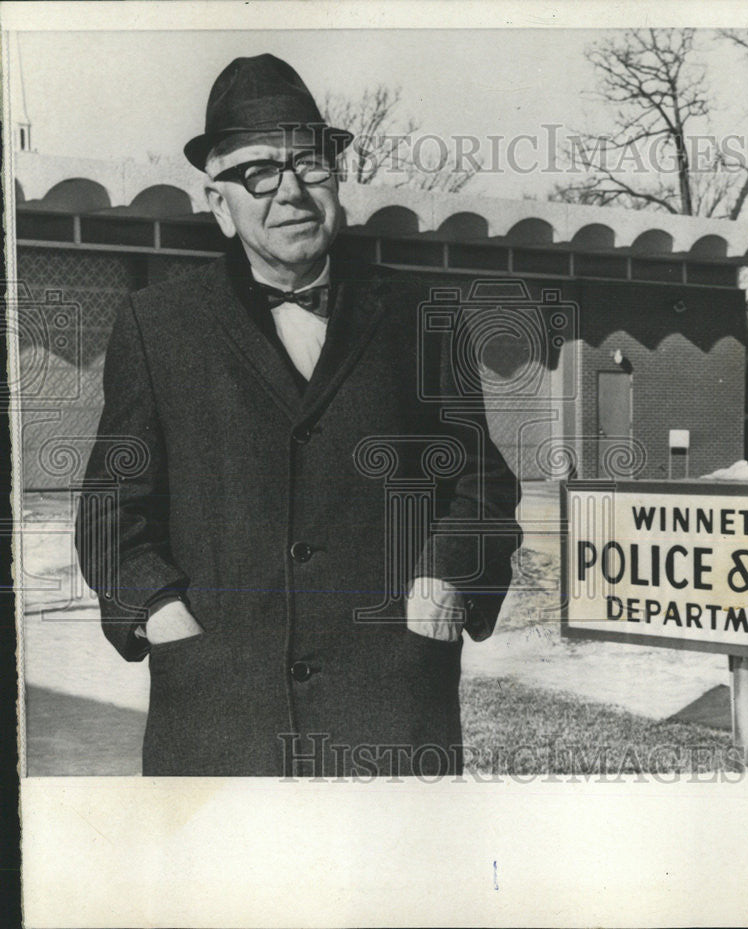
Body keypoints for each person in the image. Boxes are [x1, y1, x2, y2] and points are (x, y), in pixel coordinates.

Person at [75, 54, 521, 777]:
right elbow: (109, 514)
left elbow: (482, 487)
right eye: (257, 171)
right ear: (219, 203)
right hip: (219, 723)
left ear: (338, 182)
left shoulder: (422, 317)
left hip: (391, 714)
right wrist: (162, 612)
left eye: (309, 166)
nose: (290, 191)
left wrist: (448, 578)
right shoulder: (156, 327)